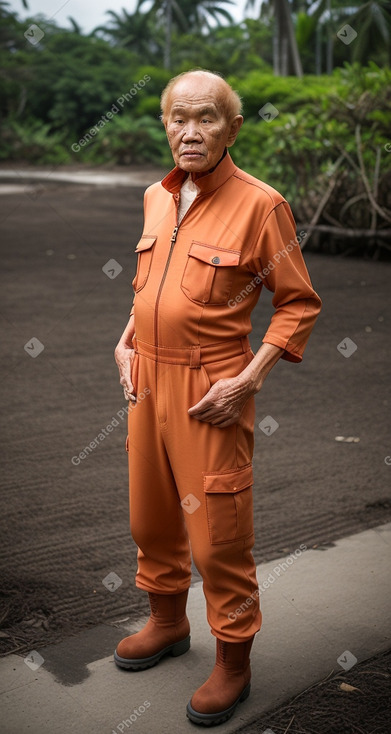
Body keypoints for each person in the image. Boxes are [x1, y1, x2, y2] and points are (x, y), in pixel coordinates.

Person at [113, 69, 321, 727]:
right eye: (178, 117)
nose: (189, 130)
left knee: (217, 537)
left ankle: (233, 662)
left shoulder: (262, 205)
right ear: (164, 125)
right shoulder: (154, 197)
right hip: (147, 382)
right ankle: (167, 623)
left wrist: (249, 378)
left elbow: (297, 303)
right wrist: (124, 341)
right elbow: (150, 289)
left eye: (205, 117)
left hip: (213, 388)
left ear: (232, 128)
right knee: (150, 518)